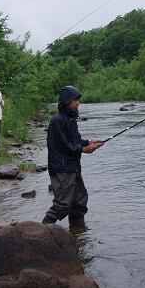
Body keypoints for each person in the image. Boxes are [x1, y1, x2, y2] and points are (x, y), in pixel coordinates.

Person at [42, 85, 103, 226]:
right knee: (62, 205)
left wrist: (89, 142)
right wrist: (84, 149)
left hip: (73, 167)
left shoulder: (71, 119)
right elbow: (64, 146)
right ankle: (42, 232)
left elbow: (75, 141)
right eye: (75, 100)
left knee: (79, 203)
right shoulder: (57, 120)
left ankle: (77, 234)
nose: (78, 103)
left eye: (78, 100)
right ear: (66, 101)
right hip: (62, 169)